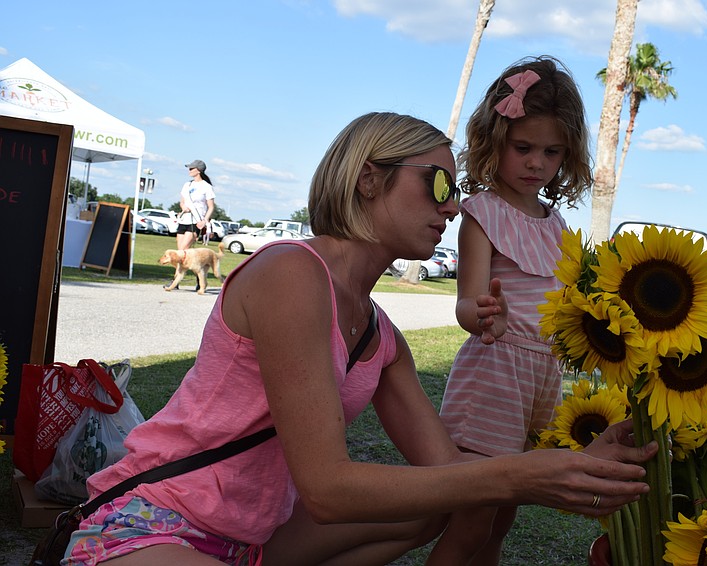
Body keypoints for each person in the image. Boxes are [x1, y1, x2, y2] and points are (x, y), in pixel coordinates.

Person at [63, 112, 655, 565]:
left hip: (257, 540)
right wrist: (523, 474)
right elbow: (326, 488)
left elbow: (448, 476)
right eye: (437, 185)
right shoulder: (291, 273)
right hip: (157, 520)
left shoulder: (379, 333)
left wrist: (576, 465)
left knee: (426, 511)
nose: (452, 207)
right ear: (370, 178)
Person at [429, 56, 596, 565]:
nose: (536, 163)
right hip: (496, 368)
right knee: (475, 511)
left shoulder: (558, 225)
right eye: (523, 148)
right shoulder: (482, 213)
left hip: (543, 375)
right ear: (495, 140)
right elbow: (466, 301)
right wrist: (484, 314)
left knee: (506, 513)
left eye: (551, 152)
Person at [170, 159, 216, 290]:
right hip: (184, 219)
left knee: (183, 251)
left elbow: (211, 207)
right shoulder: (187, 185)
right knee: (180, 252)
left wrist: (204, 221)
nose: (189, 170)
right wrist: (184, 206)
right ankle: (198, 279)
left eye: (191, 168)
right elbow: (182, 202)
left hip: (196, 221)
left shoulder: (207, 187)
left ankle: (175, 281)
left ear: (198, 170)